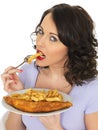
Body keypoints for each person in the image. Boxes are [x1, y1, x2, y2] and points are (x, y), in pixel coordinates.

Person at [1, 3, 98, 130]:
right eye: (40, 32)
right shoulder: (28, 71)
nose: (40, 42)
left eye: (53, 38)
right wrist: (17, 96)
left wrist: (55, 127)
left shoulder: (92, 89)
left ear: (73, 46)